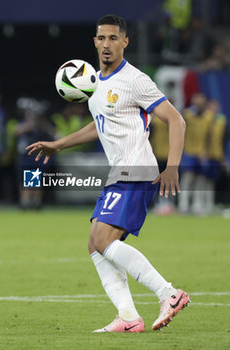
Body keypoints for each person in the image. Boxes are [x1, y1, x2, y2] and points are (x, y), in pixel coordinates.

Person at [26, 15, 189, 333]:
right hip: (120, 172)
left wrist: (173, 166)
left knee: (102, 239)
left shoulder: (136, 80)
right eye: (102, 38)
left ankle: (168, 293)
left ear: (125, 42)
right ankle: (128, 317)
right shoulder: (93, 83)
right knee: (95, 243)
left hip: (137, 169)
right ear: (94, 42)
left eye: (114, 38)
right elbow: (98, 124)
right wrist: (59, 144)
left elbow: (176, 120)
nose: (107, 44)